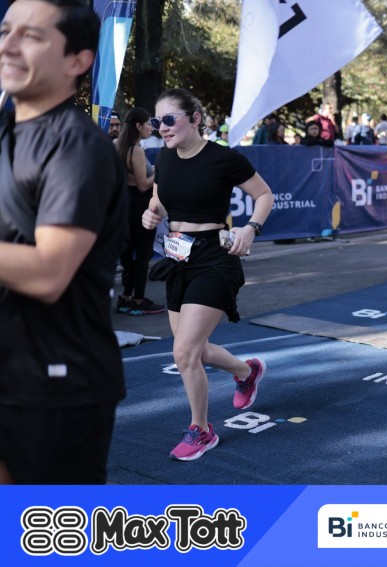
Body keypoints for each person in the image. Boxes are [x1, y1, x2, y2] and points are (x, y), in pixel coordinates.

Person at [0, 0, 127, 484]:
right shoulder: (7, 132)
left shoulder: (78, 146)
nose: (8, 46)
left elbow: (49, 272)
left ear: (78, 60)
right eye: (5, 31)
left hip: (55, 387)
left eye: (31, 36)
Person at [141, 88, 273, 461]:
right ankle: (246, 371)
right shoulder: (164, 157)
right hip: (176, 256)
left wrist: (251, 229)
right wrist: (151, 213)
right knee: (194, 350)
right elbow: (158, 200)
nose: (162, 127)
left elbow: (264, 195)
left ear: (195, 118)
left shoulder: (223, 158)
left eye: (170, 119)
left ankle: (201, 430)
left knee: (184, 351)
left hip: (215, 257)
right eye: (158, 121)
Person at [115, 107, 164, 315]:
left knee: (127, 255)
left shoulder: (116, 145)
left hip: (122, 205)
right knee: (142, 255)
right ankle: (138, 299)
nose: (151, 129)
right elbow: (143, 185)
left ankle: (126, 297)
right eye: (149, 124)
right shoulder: (136, 150)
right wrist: (160, 172)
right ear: (138, 125)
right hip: (139, 206)